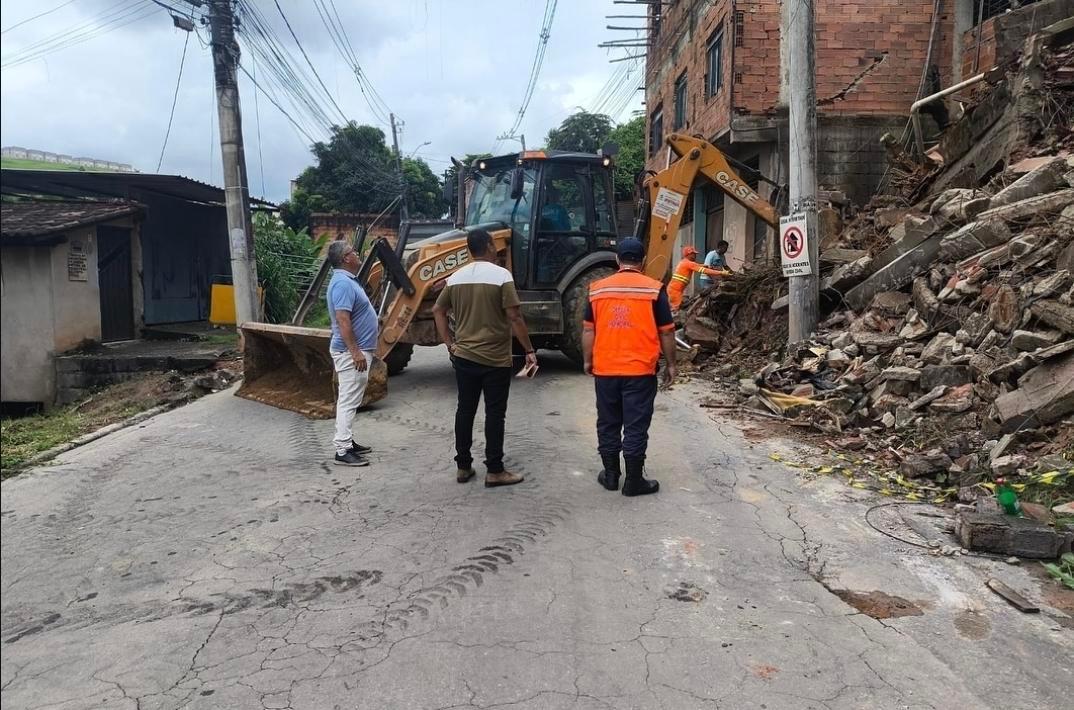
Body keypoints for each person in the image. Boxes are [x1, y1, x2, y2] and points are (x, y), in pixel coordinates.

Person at [433, 229, 538, 487]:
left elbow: (438, 309)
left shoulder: (456, 278)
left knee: (465, 410)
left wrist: (450, 343)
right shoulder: (502, 276)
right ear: (490, 246)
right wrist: (529, 349)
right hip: (495, 359)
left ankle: (463, 466)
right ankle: (495, 470)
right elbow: (514, 316)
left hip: (464, 357)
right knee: (494, 413)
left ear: (469, 249)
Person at [582, 237, 677, 497]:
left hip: (606, 370)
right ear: (643, 261)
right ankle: (634, 481)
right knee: (635, 425)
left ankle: (611, 476)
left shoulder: (597, 289)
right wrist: (671, 365)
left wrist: (588, 360)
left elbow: (588, 330)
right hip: (640, 371)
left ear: (617, 260)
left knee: (608, 423)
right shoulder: (654, 289)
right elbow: (667, 332)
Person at [325, 240, 378, 467]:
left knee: (352, 399)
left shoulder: (346, 281)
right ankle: (342, 449)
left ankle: (347, 442)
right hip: (350, 353)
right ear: (346, 259)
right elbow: (343, 320)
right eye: (353, 252)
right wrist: (355, 352)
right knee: (348, 400)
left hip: (354, 351)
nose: (357, 254)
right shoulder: (343, 284)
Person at [668, 245, 728, 311]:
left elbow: (696, 265)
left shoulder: (684, 262)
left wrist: (705, 265)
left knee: (677, 308)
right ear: (689, 254)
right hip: (675, 290)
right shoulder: (689, 264)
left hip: (674, 289)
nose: (695, 256)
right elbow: (704, 271)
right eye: (694, 254)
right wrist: (721, 273)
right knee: (675, 309)